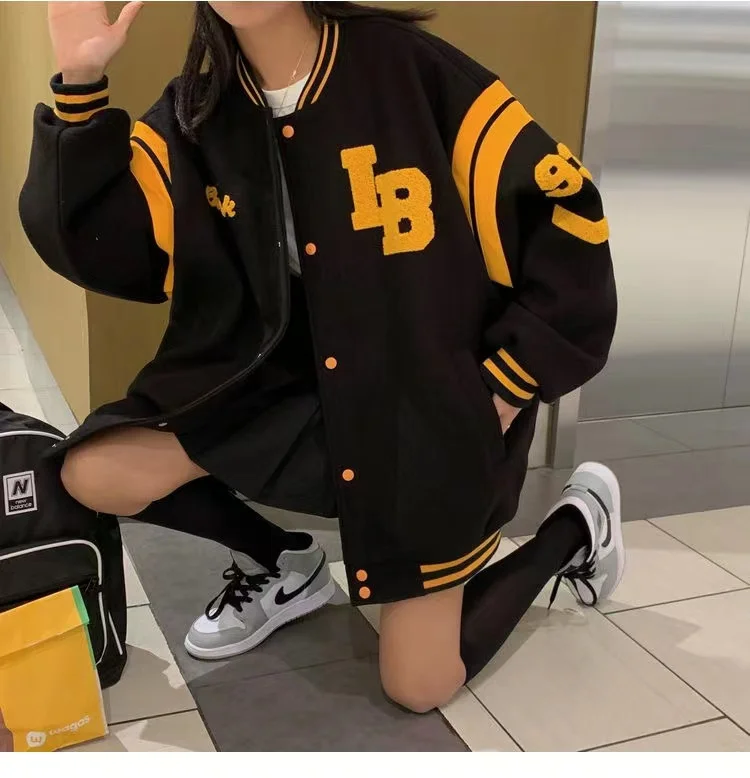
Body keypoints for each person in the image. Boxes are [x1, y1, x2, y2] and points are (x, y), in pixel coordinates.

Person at [20, 1, 622, 714]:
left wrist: (506, 384)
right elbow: (106, 245)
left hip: (417, 402)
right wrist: (80, 82)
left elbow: (564, 212)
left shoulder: (411, 72)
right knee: (92, 471)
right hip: (277, 390)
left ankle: (576, 526)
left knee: (418, 685)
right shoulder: (201, 108)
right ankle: (286, 562)